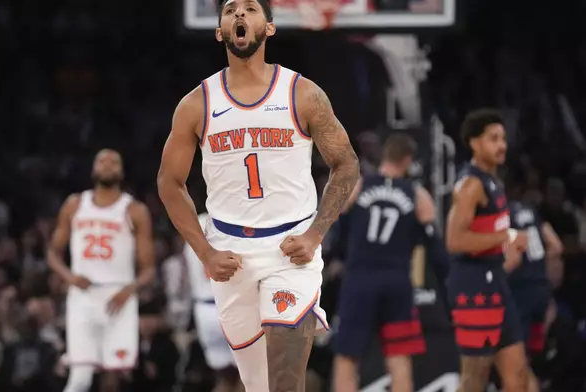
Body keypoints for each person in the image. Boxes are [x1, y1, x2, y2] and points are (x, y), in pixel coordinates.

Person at [156, 0, 360, 390]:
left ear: (269, 27)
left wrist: (316, 235)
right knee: (258, 385)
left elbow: (346, 164)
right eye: (231, 9)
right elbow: (169, 182)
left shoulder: (302, 93)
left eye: (250, 8)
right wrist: (205, 253)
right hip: (230, 254)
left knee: (285, 381)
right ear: (219, 31)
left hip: (291, 250)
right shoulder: (197, 103)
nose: (239, 16)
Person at [333, 133, 449, 392]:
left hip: (360, 279)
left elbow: (336, 230)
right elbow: (436, 250)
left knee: (348, 357)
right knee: (398, 357)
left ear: (385, 156)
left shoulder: (359, 186)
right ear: (407, 160)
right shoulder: (417, 195)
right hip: (397, 281)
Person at [47, 149, 155, 392]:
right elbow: (53, 253)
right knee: (81, 377)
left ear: (122, 171)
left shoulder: (135, 210)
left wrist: (130, 290)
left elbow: (149, 269)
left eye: (114, 162)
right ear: (93, 169)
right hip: (83, 296)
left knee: (115, 378)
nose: (107, 166)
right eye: (102, 161)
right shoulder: (75, 205)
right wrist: (70, 277)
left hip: (119, 296)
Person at [445, 109, 530, 392]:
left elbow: (485, 235)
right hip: (474, 288)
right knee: (474, 379)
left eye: (503, 138)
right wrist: (506, 235)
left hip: (496, 282)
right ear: (474, 143)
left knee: (517, 376)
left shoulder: (493, 180)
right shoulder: (471, 185)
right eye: (493, 138)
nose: (501, 144)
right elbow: (455, 241)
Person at [504, 191, 563, 392]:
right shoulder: (531, 212)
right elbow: (556, 246)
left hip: (521, 296)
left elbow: (513, 260)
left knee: (517, 364)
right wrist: (537, 267)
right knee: (524, 363)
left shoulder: (505, 215)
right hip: (541, 296)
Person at [184, 213, 243, 392]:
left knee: (223, 377)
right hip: (235, 305)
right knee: (247, 375)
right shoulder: (238, 219)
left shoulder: (193, 223)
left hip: (204, 308)